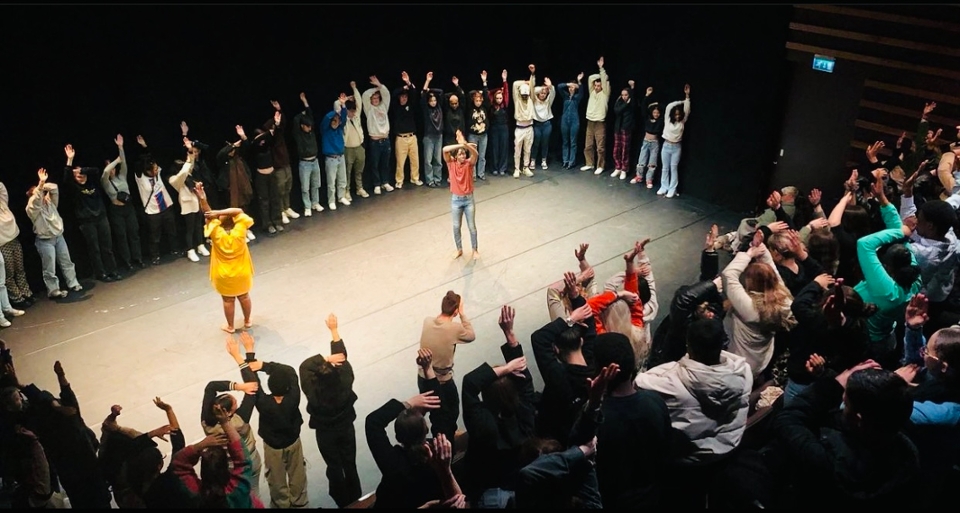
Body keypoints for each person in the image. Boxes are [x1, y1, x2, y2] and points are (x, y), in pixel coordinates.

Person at [768, 361, 919, 508]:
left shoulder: (828, 460)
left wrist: (837, 383)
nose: (843, 406)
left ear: (857, 419)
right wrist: (887, 386)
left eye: (846, 404)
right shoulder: (907, 450)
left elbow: (787, 419)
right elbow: (885, 405)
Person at [635, 318, 752, 464]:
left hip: (690, 460)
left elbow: (638, 381)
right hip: (729, 448)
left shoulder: (669, 383)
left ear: (688, 346)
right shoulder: (744, 371)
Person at [299, 313, 362, 508]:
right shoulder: (345, 381)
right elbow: (342, 359)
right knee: (350, 463)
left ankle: (339, 497)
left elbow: (305, 366)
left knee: (333, 465)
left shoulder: (312, 390)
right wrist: (334, 331)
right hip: (345, 428)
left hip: (325, 432)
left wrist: (325, 358)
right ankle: (356, 496)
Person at [172, 403, 264, 508]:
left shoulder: (195, 493)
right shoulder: (237, 492)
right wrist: (225, 423)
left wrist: (200, 445)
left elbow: (178, 463)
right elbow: (243, 460)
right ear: (226, 466)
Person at [247, 357, 309, 508]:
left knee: (276, 478)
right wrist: (265, 366)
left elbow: (254, 384)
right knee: (297, 474)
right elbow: (290, 371)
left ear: (270, 386)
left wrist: (250, 358)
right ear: (288, 387)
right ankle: (300, 503)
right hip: (293, 442)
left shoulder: (263, 403)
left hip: (273, 447)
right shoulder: (294, 398)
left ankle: (281, 504)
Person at [364, 390, 442, 509]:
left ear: (397, 437)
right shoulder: (438, 456)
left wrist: (408, 403)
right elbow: (445, 420)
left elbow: (373, 422)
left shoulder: (392, 463)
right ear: (426, 431)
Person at [195, 182, 255, 333]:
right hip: (242, 272)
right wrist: (222, 211)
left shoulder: (216, 233)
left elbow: (208, 215)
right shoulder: (240, 231)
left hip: (224, 274)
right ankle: (247, 321)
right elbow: (239, 211)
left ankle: (230, 326)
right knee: (244, 296)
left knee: (228, 300)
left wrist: (203, 199)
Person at [418, 290, 475, 445]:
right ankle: (446, 441)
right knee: (450, 412)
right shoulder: (454, 328)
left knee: (436, 413)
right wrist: (463, 314)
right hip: (441, 381)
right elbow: (471, 335)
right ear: (455, 311)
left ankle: (446, 433)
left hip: (423, 376)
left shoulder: (427, 320)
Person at [62, 143, 123, 282]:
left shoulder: (93, 182)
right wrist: (70, 162)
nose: (81, 176)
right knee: (94, 249)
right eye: (77, 175)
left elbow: (96, 170)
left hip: (101, 217)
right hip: (87, 221)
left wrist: (81, 169)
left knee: (107, 246)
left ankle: (113, 270)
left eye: (83, 174)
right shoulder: (74, 188)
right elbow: (66, 178)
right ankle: (101, 273)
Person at [25, 168, 82, 298]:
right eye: (39, 194)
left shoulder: (51, 203)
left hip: (58, 237)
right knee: (49, 268)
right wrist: (39, 187)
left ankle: (73, 283)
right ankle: (53, 290)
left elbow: (54, 188)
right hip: (45, 241)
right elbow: (35, 201)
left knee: (66, 261)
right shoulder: (31, 209)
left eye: (43, 193)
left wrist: (42, 184)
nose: (43, 195)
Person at [134, 135, 182, 265]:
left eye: (156, 168)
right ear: (147, 171)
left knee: (172, 231)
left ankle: (175, 250)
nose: (156, 170)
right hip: (153, 211)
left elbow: (152, 157)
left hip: (166, 206)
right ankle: (155, 256)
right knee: (155, 237)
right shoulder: (140, 178)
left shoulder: (158, 172)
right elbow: (140, 164)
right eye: (154, 169)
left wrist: (145, 146)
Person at [100, 134, 144, 270]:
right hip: (116, 210)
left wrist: (120, 147)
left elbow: (124, 162)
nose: (112, 169)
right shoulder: (106, 182)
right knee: (122, 236)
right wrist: (114, 161)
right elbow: (106, 172)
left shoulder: (122, 176)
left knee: (134, 233)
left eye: (114, 167)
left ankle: (138, 258)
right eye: (110, 167)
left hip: (129, 208)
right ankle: (127, 261)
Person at [215, 126, 256, 242]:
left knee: (245, 207)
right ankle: (239, 232)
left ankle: (247, 229)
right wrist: (232, 146)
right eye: (230, 149)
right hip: (230, 189)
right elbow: (220, 154)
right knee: (233, 210)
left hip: (243, 186)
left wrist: (243, 137)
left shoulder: (239, 156)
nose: (232, 151)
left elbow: (248, 146)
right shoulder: (223, 160)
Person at [443, 131, 480, 259]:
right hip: (456, 201)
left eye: (464, 153)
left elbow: (475, 153)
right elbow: (445, 149)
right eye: (460, 153)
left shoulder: (469, 164)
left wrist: (465, 145)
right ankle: (459, 249)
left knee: (471, 227)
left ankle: (475, 249)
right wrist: (461, 145)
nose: (463, 155)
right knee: (456, 226)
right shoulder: (451, 164)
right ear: (456, 156)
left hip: (468, 200)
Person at [168, 143, 207, 263]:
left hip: (196, 201)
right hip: (187, 205)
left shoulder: (188, 174)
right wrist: (187, 162)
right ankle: (190, 250)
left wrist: (190, 152)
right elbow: (184, 172)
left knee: (198, 226)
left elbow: (190, 165)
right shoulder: (174, 179)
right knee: (190, 228)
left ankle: (200, 245)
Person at [1, 181, 35, 309]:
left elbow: (2, 188)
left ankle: (27, 293)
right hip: (3, 245)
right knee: (9, 274)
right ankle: (17, 298)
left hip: (14, 240)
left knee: (20, 269)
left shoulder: (3, 204)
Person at [267, 100, 300, 225]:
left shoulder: (280, 131)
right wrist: (275, 124)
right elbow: (273, 135)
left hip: (286, 162)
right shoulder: (269, 130)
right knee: (279, 189)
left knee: (288, 186)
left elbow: (283, 124)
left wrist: (279, 110)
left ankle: (287, 208)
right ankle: (280, 211)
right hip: (278, 165)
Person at [250, 116, 284, 235]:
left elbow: (275, 136)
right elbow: (254, 142)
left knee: (275, 198)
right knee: (264, 201)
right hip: (261, 176)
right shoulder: (255, 148)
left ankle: (277, 221)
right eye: (261, 139)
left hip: (271, 174)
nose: (263, 141)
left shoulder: (268, 145)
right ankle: (267, 224)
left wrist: (277, 124)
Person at [292, 92, 324, 216]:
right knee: (305, 187)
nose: (310, 128)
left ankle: (315, 203)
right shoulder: (298, 134)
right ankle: (307, 206)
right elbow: (295, 121)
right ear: (302, 126)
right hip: (304, 163)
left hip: (314, 161)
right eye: (307, 127)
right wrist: (301, 114)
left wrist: (305, 102)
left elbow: (310, 113)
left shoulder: (311, 130)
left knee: (316, 184)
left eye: (310, 126)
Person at [657, 84, 691, 198]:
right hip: (666, 145)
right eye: (675, 114)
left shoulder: (682, 121)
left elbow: (687, 109)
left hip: (676, 147)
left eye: (678, 114)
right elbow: (668, 106)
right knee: (665, 168)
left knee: (673, 168)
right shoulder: (667, 119)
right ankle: (664, 187)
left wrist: (686, 97)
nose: (677, 116)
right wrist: (679, 101)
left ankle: (672, 188)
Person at [362, 75, 393, 195]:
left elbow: (386, 94)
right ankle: (377, 184)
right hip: (375, 141)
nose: (375, 99)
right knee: (375, 164)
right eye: (373, 98)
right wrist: (375, 89)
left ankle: (385, 182)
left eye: (377, 97)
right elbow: (365, 95)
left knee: (385, 163)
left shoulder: (384, 106)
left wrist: (379, 85)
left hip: (385, 140)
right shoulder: (369, 109)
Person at [391, 71, 423, 189]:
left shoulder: (411, 106)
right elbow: (393, 94)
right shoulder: (396, 107)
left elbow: (414, 92)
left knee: (415, 160)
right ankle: (399, 180)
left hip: (412, 137)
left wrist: (408, 83)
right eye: (402, 97)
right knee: (400, 161)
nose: (403, 98)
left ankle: (415, 178)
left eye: (405, 97)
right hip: (401, 138)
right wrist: (402, 88)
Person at [581, 57, 610, 175]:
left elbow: (604, 80)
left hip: (600, 122)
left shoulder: (605, 93)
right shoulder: (592, 92)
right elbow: (590, 78)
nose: (597, 87)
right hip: (590, 121)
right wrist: (596, 78)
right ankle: (589, 163)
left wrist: (601, 69)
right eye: (596, 85)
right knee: (588, 145)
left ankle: (600, 166)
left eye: (599, 85)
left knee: (600, 147)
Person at [632, 87, 665, 187]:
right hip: (646, 141)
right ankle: (639, 176)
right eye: (654, 112)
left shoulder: (660, 121)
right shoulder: (647, 118)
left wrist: (657, 104)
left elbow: (664, 110)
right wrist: (647, 95)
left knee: (652, 163)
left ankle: (649, 179)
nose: (656, 114)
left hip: (654, 143)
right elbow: (643, 107)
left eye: (658, 113)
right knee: (641, 160)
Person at [322, 93, 349, 211]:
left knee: (342, 179)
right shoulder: (326, 130)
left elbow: (344, 116)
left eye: (337, 121)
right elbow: (326, 119)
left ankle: (341, 197)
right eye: (334, 120)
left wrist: (343, 105)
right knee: (331, 182)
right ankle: (331, 200)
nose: (336, 122)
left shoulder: (340, 128)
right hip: (331, 159)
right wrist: (335, 113)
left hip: (340, 157)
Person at [342, 82, 369, 201]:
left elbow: (359, 100)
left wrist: (354, 88)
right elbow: (336, 104)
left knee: (359, 170)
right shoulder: (343, 118)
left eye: (354, 111)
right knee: (347, 171)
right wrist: (346, 99)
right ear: (347, 110)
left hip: (359, 147)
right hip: (348, 148)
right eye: (350, 111)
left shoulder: (357, 116)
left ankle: (359, 188)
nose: (353, 113)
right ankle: (346, 191)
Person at [466, 70, 491, 181]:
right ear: (473, 100)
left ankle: (481, 173)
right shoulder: (470, 107)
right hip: (473, 135)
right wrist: (476, 92)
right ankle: (473, 174)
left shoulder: (484, 106)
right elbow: (468, 95)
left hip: (483, 134)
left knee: (482, 156)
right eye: (476, 100)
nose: (478, 102)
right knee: (473, 156)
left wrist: (484, 82)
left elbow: (486, 95)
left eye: (480, 100)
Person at [513, 64, 537, 178]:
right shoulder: (517, 100)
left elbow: (532, 87)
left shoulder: (531, 99)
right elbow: (514, 84)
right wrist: (524, 82)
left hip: (529, 128)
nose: (524, 96)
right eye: (523, 94)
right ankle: (517, 168)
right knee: (517, 150)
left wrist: (532, 75)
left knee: (528, 150)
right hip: (519, 128)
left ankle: (525, 167)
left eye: (526, 94)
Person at [422, 72, 446, 187]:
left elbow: (441, 92)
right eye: (431, 100)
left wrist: (432, 90)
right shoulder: (426, 109)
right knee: (428, 160)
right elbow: (423, 95)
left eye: (434, 100)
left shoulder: (439, 107)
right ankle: (429, 179)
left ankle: (437, 178)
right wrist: (427, 82)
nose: (433, 102)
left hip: (439, 135)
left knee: (438, 159)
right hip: (429, 136)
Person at [610, 81, 638, 180]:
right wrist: (625, 104)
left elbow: (633, 102)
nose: (624, 97)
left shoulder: (632, 103)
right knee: (616, 149)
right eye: (622, 95)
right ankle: (617, 167)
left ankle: (624, 169)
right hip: (618, 128)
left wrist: (632, 88)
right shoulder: (620, 102)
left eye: (626, 95)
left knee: (625, 150)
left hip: (626, 128)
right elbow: (617, 110)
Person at [558, 73, 584, 169]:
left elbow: (581, 91)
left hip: (574, 121)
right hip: (564, 120)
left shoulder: (577, 98)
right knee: (565, 141)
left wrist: (579, 82)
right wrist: (568, 84)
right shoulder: (565, 96)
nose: (571, 88)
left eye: (573, 87)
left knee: (573, 142)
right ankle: (565, 160)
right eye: (570, 87)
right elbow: (559, 87)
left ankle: (571, 161)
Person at [487, 70, 511, 176]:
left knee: (504, 148)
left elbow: (506, 93)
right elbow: (488, 94)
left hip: (504, 128)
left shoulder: (504, 104)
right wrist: (497, 90)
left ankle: (503, 167)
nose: (499, 100)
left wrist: (504, 81)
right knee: (495, 148)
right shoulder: (491, 106)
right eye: (497, 98)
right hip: (494, 128)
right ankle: (494, 167)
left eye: (500, 98)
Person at [531, 75, 557, 171]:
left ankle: (543, 160)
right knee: (536, 142)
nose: (542, 95)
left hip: (546, 124)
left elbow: (553, 92)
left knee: (545, 142)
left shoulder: (548, 101)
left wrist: (549, 87)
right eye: (541, 93)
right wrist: (542, 88)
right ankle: (533, 160)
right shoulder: (534, 100)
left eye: (544, 93)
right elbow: (533, 90)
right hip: (537, 124)